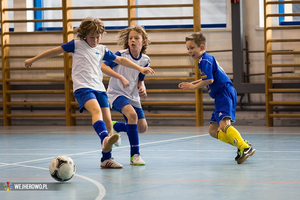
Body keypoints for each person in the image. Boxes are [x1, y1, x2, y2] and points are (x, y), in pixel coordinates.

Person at [24, 17, 154, 168]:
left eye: (98, 37)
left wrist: (140, 69)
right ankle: (105, 137)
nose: (95, 40)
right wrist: (33, 59)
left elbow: (120, 60)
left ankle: (106, 159)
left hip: (99, 88)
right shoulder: (76, 44)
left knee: (108, 121)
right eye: (92, 37)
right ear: (84, 35)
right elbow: (54, 51)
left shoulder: (102, 49)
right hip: (83, 88)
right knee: (96, 111)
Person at [178, 32, 255, 164]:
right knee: (213, 130)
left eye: (192, 47)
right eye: (188, 48)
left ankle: (244, 147)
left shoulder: (204, 60)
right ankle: (242, 143)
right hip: (222, 94)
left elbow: (209, 80)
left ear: (201, 47)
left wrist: (192, 87)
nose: (189, 51)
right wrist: (192, 83)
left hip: (223, 93)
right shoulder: (206, 59)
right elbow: (206, 78)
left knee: (224, 124)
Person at [101, 25, 150, 166]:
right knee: (132, 116)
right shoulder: (120, 55)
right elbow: (103, 66)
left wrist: (142, 86)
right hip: (116, 93)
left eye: (136, 38)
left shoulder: (145, 60)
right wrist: (120, 77)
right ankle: (135, 155)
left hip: (133, 96)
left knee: (142, 128)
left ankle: (116, 126)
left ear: (144, 42)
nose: (132, 40)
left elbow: (140, 78)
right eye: (130, 38)